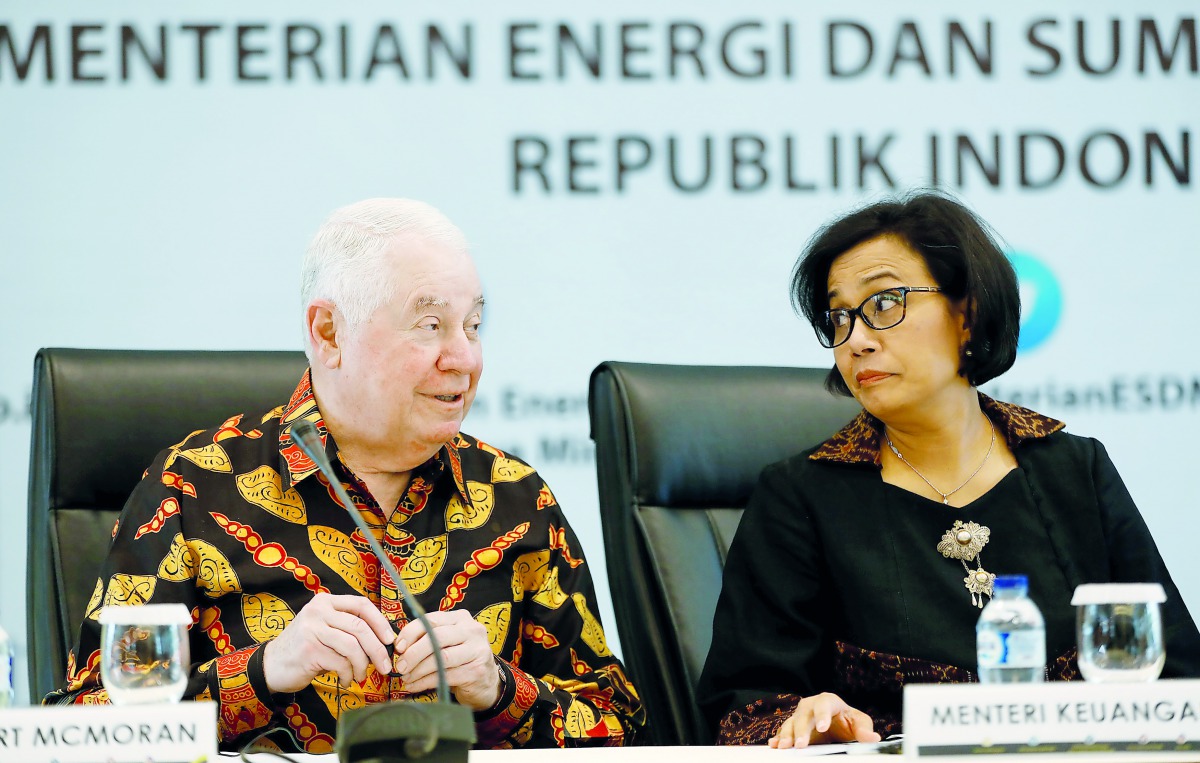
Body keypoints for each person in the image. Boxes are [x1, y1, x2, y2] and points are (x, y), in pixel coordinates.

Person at [45, 198, 644, 752]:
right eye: (430, 326)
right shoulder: (195, 487)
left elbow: (624, 727)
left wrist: (499, 689)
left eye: (474, 325)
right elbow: (84, 728)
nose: (464, 357)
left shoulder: (516, 498)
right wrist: (265, 671)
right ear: (328, 333)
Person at [696, 190, 1200, 748]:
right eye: (838, 317)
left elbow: (1176, 675)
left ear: (968, 314)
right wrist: (807, 722)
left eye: (884, 303)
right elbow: (744, 709)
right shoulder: (799, 498)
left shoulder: (1073, 469)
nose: (856, 340)